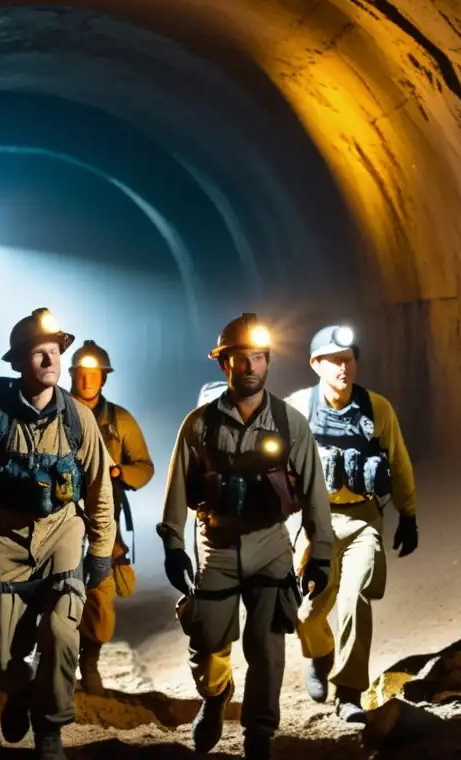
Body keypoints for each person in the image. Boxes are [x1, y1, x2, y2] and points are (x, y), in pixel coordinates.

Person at [158, 313, 335, 759]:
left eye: (260, 358)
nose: (252, 367)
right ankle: (215, 698)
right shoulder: (198, 425)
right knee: (207, 643)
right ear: (225, 365)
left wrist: (320, 554)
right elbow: (177, 486)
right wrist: (174, 544)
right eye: (242, 359)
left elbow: (314, 491)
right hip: (216, 544)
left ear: (268, 362)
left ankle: (259, 734)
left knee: (267, 648)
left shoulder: (289, 422)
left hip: (271, 544)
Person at [0, 308, 116, 759]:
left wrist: (99, 549)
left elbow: (99, 488)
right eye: (38, 353)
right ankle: (19, 690)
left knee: (61, 631)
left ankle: (50, 732)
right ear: (18, 363)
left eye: (55, 352)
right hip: (5, 540)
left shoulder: (79, 420)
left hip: (61, 533)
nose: (49, 361)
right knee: (3, 654)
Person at [287, 324, 418, 723]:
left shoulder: (377, 408)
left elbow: (397, 462)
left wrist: (408, 514)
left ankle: (349, 692)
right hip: (315, 525)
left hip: (363, 519)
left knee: (354, 599)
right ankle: (321, 654)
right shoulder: (296, 408)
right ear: (316, 364)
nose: (344, 368)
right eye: (335, 361)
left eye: (349, 359)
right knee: (308, 614)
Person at [67, 340, 154, 695]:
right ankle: (53, 660)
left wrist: (121, 473)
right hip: (57, 518)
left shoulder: (119, 420)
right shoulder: (54, 412)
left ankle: (89, 662)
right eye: (82, 373)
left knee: (101, 599)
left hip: (104, 523)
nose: (88, 380)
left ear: (104, 378)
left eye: (94, 374)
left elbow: (144, 467)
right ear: (72, 375)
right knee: (54, 594)